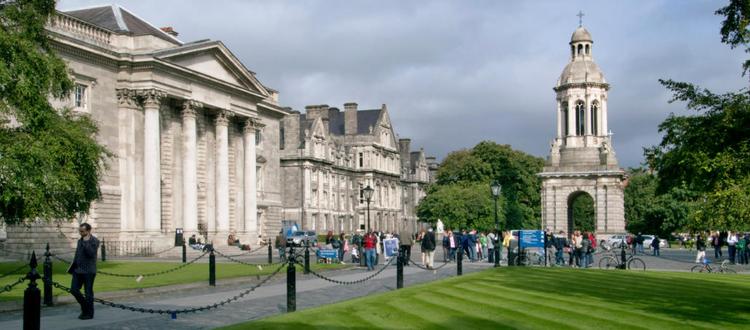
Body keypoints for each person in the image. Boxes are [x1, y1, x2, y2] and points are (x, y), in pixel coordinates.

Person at [69, 223, 100, 320]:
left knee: (88, 293)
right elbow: (77, 255)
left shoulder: (95, 241)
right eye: (80, 231)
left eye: (82, 231)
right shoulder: (79, 241)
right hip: (77, 271)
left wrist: (86, 242)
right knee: (73, 290)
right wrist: (72, 267)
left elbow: (91, 254)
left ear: (88, 231)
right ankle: (85, 307)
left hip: (89, 271)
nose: (80, 233)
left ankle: (89, 313)